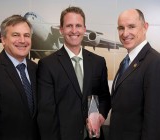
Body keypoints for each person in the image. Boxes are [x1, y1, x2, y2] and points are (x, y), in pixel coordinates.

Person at [37, 6, 111, 140]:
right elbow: (46, 113)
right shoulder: (47, 65)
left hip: (93, 136)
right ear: (61, 29)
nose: (74, 30)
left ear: (84, 29)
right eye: (69, 26)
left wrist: (101, 115)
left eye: (78, 26)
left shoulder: (98, 62)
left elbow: (104, 97)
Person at [0, 15, 38, 140]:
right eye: (16, 35)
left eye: (27, 35)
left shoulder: (36, 69)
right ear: (3, 39)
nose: (22, 40)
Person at [109, 9, 160, 140]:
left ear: (145, 27)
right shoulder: (126, 62)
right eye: (121, 28)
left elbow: (154, 119)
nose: (125, 33)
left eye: (131, 26)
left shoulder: (155, 62)